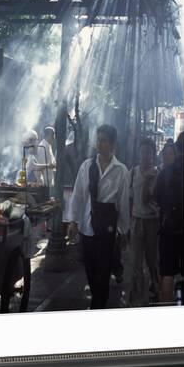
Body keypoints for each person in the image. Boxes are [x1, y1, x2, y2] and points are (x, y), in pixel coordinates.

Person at [67, 125, 130, 309]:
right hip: (87, 227)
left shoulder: (121, 171)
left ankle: (98, 305)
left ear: (112, 144)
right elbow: (78, 195)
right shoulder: (87, 167)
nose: (100, 144)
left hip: (108, 229)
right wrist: (73, 221)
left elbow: (123, 203)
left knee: (103, 271)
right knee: (90, 269)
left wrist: (124, 231)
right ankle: (98, 299)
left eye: (104, 140)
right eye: (98, 140)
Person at [154, 131, 184, 303]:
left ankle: (166, 307)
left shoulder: (165, 173)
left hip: (168, 230)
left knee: (167, 273)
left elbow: (156, 198)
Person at [129, 138, 160, 306]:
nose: (145, 155)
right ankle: (137, 297)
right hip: (136, 221)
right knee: (135, 262)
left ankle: (155, 289)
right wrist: (126, 224)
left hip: (152, 224)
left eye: (148, 152)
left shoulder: (157, 174)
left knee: (151, 261)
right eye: (142, 152)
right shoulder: (132, 172)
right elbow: (129, 198)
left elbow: (157, 198)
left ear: (153, 155)